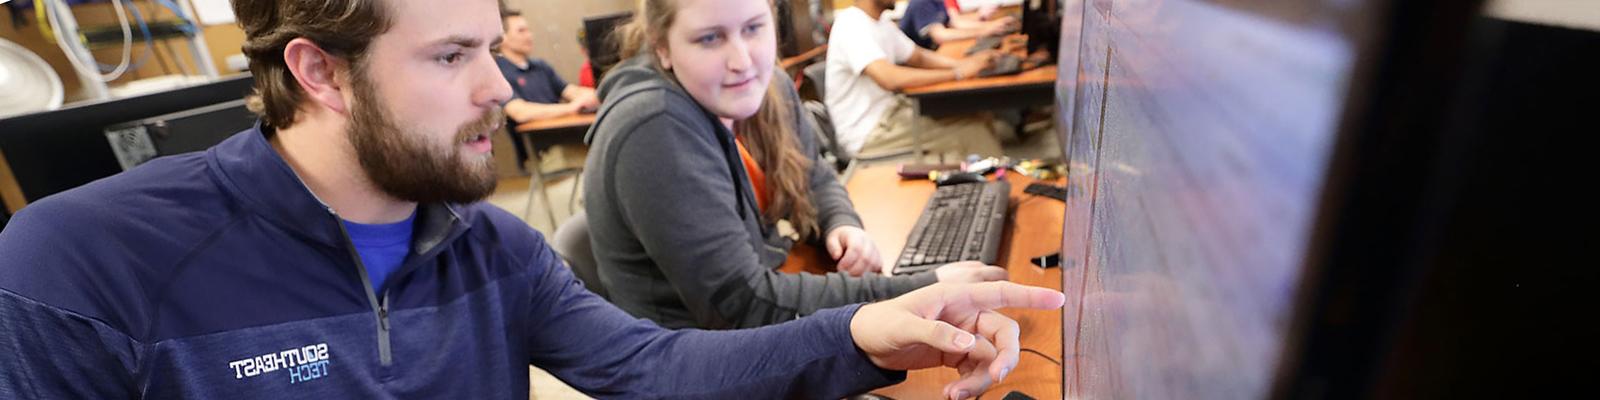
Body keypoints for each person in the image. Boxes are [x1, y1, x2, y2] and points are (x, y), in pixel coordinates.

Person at [0, 0, 1066, 399]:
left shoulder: (484, 247)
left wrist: (869, 330)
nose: (500, 87)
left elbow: (651, 364)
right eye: (454, 55)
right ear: (322, 73)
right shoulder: (76, 264)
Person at [583, 0, 1009, 330]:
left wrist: (842, 224)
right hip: (691, 356)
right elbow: (744, 306)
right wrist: (923, 289)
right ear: (663, 47)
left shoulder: (764, 85)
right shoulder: (654, 128)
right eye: (709, 39)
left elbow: (815, 174)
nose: (742, 60)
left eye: (753, 28)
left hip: (752, 311)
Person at [825, 0, 1010, 159]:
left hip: (892, 114)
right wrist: (958, 73)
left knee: (977, 114)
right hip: (869, 133)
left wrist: (964, 64)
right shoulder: (851, 25)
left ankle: (990, 186)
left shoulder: (880, 23)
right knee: (973, 132)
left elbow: (918, 56)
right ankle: (995, 193)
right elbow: (889, 78)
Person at [497, 9, 599, 174]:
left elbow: (570, 91)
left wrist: (597, 94)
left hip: (567, 137)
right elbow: (519, 112)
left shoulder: (540, 67)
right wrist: (571, 108)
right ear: (503, 38)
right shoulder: (499, 73)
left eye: (529, 30)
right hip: (541, 152)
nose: (529, 35)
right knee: (603, 149)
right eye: (521, 31)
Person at [899, 0, 1017, 50]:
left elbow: (956, 23)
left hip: (933, 54)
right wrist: (984, 31)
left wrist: (992, 26)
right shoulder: (921, 2)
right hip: (919, 66)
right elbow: (940, 36)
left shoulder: (938, 1)